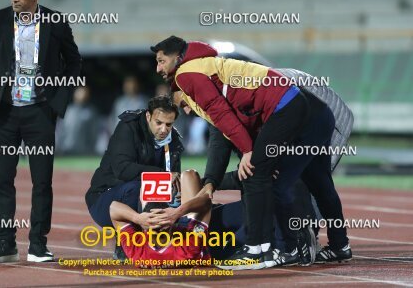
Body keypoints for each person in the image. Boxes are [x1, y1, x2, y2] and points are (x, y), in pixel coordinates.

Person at [152, 36, 349, 269]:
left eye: (184, 104)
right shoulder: (212, 71)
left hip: (310, 111)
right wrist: (212, 182)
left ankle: (274, 247)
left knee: (269, 178)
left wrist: (236, 163)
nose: (187, 110)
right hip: (316, 111)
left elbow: (224, 129)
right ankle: (337, 244)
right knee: (316, 182)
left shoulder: (190, 79)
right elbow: (223, 137)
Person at [0, 0, 82, 263]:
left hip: (39, 112)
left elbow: (74, 62)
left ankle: (38, 244)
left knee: (42, 181)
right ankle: (5, 242)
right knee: (2, 181)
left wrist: (59, 99)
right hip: (3, 113)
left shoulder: (55, 22)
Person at [85, 95, 183, 228]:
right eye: (159, 123)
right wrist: (162, 175)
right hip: (105, 198)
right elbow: (122, 169)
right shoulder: (129, 127)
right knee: (137, 188)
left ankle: (155, 241)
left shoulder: (174, 139)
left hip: (144, 196)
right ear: (148, 116)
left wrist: (179, 194)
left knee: (179, 197)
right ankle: (125, 242)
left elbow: (173, 178)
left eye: (169, 124)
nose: (164, 129)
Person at [110, 170, 212, 267]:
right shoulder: (188, 249)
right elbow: (207, 200)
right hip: (186, 228)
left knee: (152, 184)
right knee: (190, 175)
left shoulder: (138, 252)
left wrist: (138, 218)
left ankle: (164, 180)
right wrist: (178, 212)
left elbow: (113, 208)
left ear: (145, 228)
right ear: (171, 225)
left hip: (174, 224)